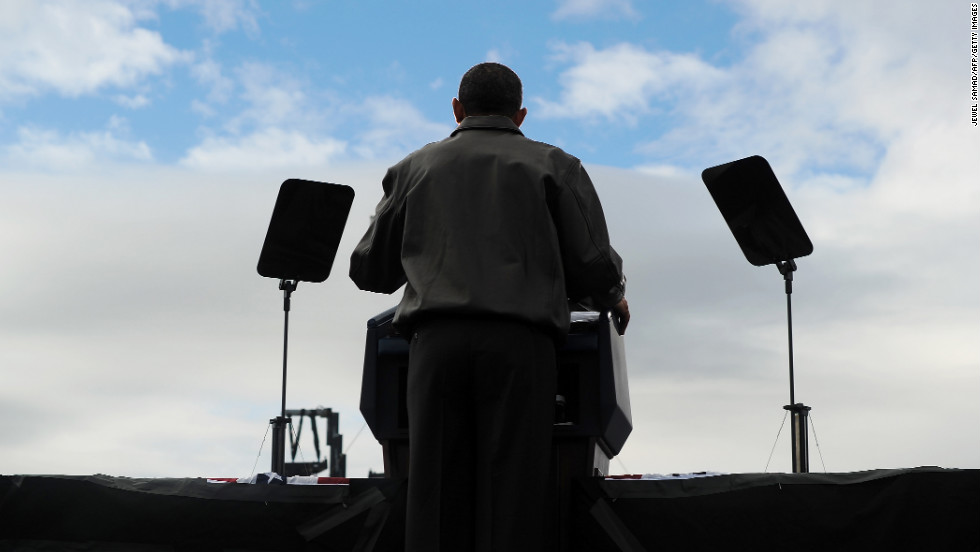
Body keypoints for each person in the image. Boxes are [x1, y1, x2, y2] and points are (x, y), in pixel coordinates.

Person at [350, 62, 628, 552]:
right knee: (514, 498)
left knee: (434, 495)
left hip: (435, 348)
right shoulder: (556, 166)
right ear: (520, 114)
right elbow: (593, 266)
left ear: (457, 109)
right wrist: (614, 296)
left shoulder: (413, 168)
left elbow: (369, 269)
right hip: (521, 348)